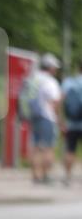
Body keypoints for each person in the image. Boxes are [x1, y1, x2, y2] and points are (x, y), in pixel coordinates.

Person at [29, 53, 62, 184]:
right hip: (47, 117)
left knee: (36, 147)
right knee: (48, 147)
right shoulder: (50, 81)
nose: (56, 70)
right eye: (55, 67)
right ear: (50, 67)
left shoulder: (33, 78)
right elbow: (55, 102)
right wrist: (59, 119)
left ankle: (35, 176)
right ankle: (46, 175)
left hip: (34, 116)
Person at [60, 58, 82, 186]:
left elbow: (61, 101)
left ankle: (68, 177)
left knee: (70, 150)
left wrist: (61, 121)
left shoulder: (69, 82)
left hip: (71, 123)